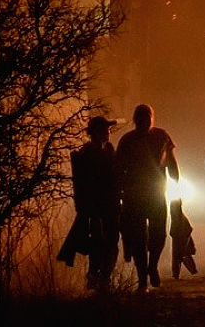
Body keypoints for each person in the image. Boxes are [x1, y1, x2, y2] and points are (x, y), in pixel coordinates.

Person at [116, 104, 179, 292]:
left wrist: (176, 181)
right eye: (142, 118)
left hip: (153, 193)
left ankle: (151, 268)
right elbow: (119, 167)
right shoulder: (128, 140)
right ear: (136, 119)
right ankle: (144, 276)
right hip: (136, 195)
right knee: (139, 237)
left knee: (157, 233)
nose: (145, 121)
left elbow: (171, 161)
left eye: (147, 118)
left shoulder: (161, 136)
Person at [57, 116, 120, 291]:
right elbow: (83, 184)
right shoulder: (86, 154)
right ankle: (96, 278)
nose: (109, 132)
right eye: (106, 129)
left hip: (110, 205)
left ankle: (103, 279)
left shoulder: (109, 150)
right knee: (98, 243)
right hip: (95, 206)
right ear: (97, 132)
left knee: (112, 243)